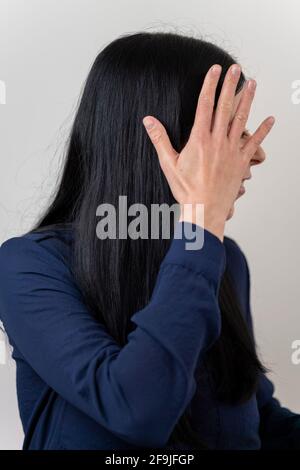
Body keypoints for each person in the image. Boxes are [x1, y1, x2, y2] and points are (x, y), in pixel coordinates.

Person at [0, 31, 299, 450]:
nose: (254, 154)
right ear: (158, 142)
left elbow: (254, 416)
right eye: (227, 132)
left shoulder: (225, 260)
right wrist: (201, 219)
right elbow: (136, 410)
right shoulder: (31, 265)